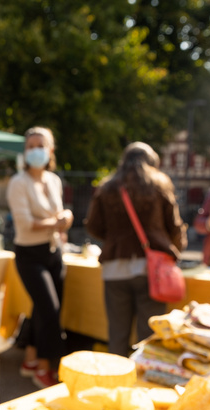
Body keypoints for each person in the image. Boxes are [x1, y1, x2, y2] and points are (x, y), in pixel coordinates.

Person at [85, 142, 186, 357]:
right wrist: (174, 247)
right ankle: (143, 383)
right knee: (148, 337)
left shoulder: (107, 187)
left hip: (114, 269)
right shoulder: (158, 183)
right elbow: (174, 225)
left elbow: (93, 225)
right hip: (152, 271)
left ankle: (117, 384)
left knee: (118, 334)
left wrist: (114, 239)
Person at [6, 126, 73, 388]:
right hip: (29, 254)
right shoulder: (18, 183)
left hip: (54, 252)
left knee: (42, 308)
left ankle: (31, 359)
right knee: (49, 310)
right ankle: (46, 368)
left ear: (50, 149)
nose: (35, 150)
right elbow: (25, 224)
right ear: (25, 151)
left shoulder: (54, 180)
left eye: (40, 144)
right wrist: (61, 221)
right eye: (30, 145)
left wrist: (63, 220)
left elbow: (57, 216)